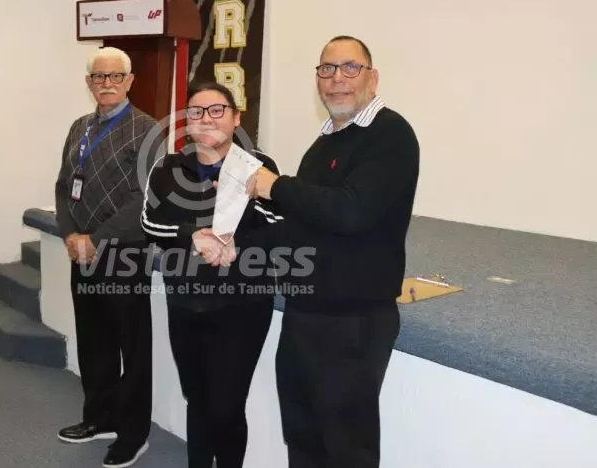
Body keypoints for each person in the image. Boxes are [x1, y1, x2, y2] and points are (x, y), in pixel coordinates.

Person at [249, 36, 420, 467]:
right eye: (327, 69)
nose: (337, 79)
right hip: (306, 312)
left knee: (346, 449)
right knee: (303, 439)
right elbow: (302, 223)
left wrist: (277, 186)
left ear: (372, 77)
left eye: (350, 68)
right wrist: (234, 245)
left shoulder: (390, 134)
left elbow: (351, 211)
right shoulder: (324, 143)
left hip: (353, 322)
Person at [140, 81, 283, 468]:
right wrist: (192, 235)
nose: (206, 118)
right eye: (196, 112)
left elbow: (282, 225)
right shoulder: (168, 168)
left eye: (217, 110)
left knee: (228, 404)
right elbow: (150, 224)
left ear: (236, 118)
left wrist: (239, 236)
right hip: (185, 303)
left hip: (242, 305)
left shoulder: (259, 166)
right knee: (198, 398)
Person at [54, 46, 162, 468]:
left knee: (131, 348)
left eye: (116, 76)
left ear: (130, 81)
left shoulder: (148, 129)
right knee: (93, 342)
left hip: (123, 254)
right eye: (99, 77)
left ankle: (133, 434)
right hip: (82, 253)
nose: (107, 84)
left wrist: (95, 239)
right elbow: (64, 185)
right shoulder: (79, 127)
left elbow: (145, 198)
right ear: (89, 82)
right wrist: (70, 234)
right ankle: (99, 418)